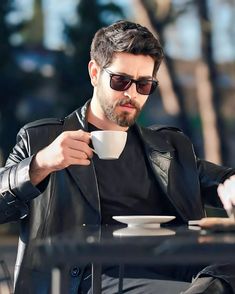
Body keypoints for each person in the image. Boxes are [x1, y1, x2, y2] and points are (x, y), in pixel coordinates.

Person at [0, 20, 235, 294]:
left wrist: (230, 181)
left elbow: (216, 179)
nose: (131, 94)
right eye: (120, 80)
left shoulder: (168, 147)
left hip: (175, 269)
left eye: (144, 85)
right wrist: (40, 164)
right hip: (89, 278)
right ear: (94, 73)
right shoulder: (42, 140)